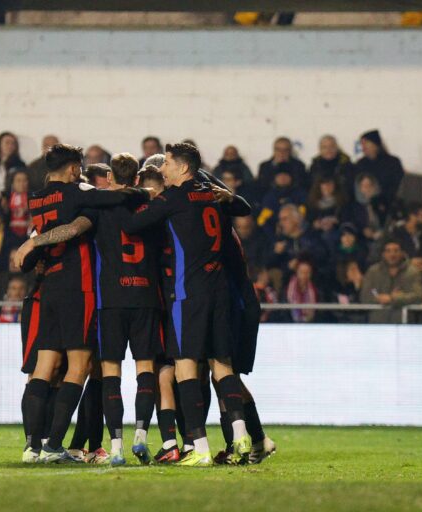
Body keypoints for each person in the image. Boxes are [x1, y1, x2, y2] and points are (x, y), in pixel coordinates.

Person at [24, 152, 162, 466]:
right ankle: (56, 445)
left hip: (50, 289)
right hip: (83, 288)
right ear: (73, 168)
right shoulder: (81, 195)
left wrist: (32, 244)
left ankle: (33, 446)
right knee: (83, 366)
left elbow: (46, 241)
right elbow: (79, 225)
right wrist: (147, 193)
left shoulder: (37, 199)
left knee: (43, 368)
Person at [120, 143, 252, 466]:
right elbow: (244, 208)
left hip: (188, 294)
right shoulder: (212, 192)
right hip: (219, 291)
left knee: (184, 367)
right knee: (222, 366)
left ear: (182, 168)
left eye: (166, 163)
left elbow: (132, 225)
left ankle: (201, 449)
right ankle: (241, 436)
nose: (163, 168)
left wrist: (139, 197)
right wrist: (230, 197)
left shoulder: (174, 197)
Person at [361, 238, 422, 324]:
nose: (392, 254)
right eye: (388, 251)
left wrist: (393, 299)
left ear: (402, 253)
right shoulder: (373, 272)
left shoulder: (412, 272)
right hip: (377, 325)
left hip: (404, 325)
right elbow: (364, 297)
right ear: (383, 254)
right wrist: (379, 299)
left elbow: (418, 296)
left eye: (396, 251)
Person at [354, 130, 404, 212]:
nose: (363, 147)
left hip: (387, 204)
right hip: (364, 206)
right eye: (362, 144)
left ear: (376, 144)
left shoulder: (392, 162)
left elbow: (397, 185)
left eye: (366, 143)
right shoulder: (360, 164)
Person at [256, 167, 307, 235]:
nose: (282, 178)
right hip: (275, 232)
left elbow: (302, 215)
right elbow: (262, 220)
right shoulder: (270, 196)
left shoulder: (300, 193)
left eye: (285, 175)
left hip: (298, 231)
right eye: (279, 176)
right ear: (275, 178)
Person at [5, 171, 31, 239]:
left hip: (28, 235)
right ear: (13, 183)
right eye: (18, 180)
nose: (22, 184)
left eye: (25, 180)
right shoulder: (6, 198)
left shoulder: (33, 197)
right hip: (10, 235)